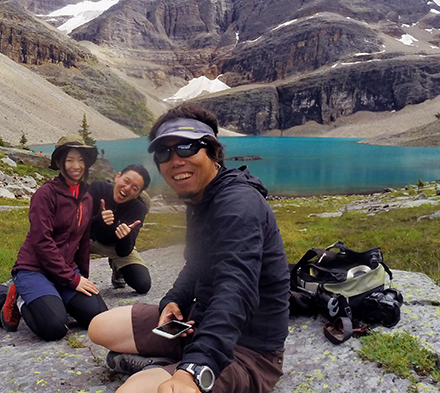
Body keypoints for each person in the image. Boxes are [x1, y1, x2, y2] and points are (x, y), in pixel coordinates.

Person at [88, 104, 290, 393]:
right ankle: (164, 363)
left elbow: (237, 289)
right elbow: (196, 263)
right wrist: (175, 299)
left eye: (186, 147)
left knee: (133, 391)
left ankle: (168, 368)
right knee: (100, 327)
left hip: (245, 349)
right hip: (197, 323)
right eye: (163, 153)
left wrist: (194, 371)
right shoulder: (200, 199)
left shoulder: (239, 206)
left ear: (212, 151)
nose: (174, 160)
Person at [0, 134, 108, 341]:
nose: (76, 165)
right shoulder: (45, 194)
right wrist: (72, 279)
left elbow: (83, 242)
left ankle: (54, 298)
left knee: (99, 318)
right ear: (59, 162)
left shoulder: (86, 197)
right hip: (35, 269)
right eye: (69, 160)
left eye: (81, 159)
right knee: (54, 327)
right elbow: (42, 241)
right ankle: (20, 296)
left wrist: (81, 278)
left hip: (65, 270)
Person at [89, 164, 153, 294]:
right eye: (126, 181)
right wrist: (98, 220)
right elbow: (75, 224)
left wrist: (125, 236)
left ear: (138, 194)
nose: (127, 188)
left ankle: (117, 268)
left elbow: (124, 251)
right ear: (117, 177)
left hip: (114, 246)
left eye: (135, 188)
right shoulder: (97, 189)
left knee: (142, 284)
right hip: (87, 239)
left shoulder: (137, 208)